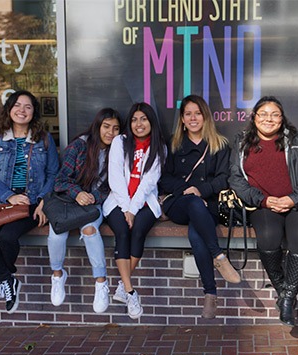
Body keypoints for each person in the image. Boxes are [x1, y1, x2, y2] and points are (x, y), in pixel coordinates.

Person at [229, 96, 298, 326]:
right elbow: (237, 180)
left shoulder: (297, 140)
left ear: (282, 118)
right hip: (263, 204)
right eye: (263, 114)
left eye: (275, 114)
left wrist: (292, 198)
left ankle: (288, 298)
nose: (269, 119)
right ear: (254, 117)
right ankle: (283, 290)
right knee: (268, 239)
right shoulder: (242, 142)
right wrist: (265, 200)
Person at [159, 95, 240, 319]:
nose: (193, 118)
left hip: (209, 203)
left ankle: (210, 294)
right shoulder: (172, 144)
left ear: (205, 116)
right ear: (182, 119)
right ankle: (219, 257)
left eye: (197, 113)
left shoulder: (220, 144)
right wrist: (189, 190)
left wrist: (202, 192)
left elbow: (224, 178)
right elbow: (163, 179)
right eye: (188, 114)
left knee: (197, 234)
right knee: (194, 205)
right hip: (179, 202)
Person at [0, 90, 59, 314]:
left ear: (34, 112)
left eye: (28, 106)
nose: (22, 110)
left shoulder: (44, 139)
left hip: (32, 201)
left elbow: (54, 173)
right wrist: (8, 196)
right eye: (17, 105)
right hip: (0, 200)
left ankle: (4, 280)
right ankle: (7, 279)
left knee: (8, 237)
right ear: (9, 109)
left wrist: (43, 200)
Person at [47, 108, 121, 312]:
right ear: (97, 126)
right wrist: (77, 193)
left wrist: (93, 197)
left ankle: (100, 282)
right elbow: (60, 180)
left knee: (90, 230)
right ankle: (58, 275)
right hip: (68, 201)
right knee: (56, 234)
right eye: (106, 127)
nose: (110, 133)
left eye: (115, 128)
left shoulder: (118, 151)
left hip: (93, 203)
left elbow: (114, 186)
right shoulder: (79, 146)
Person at [103, 102, 166, 320]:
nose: (139, 124)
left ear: (151, 122)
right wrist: (125, 207)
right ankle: (130, 291)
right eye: (134, 119)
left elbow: (149, 182)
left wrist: (133, 209)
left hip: (145, 202)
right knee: (122, 232)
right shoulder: (120, 142)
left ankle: (123, 285)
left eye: (144, 119)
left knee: (138, 230)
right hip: (118, 201)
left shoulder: (159, 147)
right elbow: (115, 177)